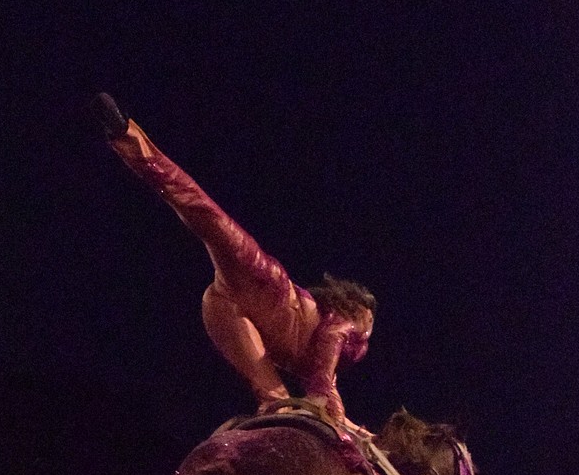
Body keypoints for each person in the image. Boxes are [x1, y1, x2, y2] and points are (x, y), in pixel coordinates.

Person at [94, 93, 376, 426]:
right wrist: (346, 429)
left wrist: (355, 430)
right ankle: (126, 135)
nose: (370, 328)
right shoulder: (352, 322)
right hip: (264, 281)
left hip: (221, 309)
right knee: (202, 211)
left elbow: (323, 384)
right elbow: (322, 379)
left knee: (277, 403)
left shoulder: (323, 341)